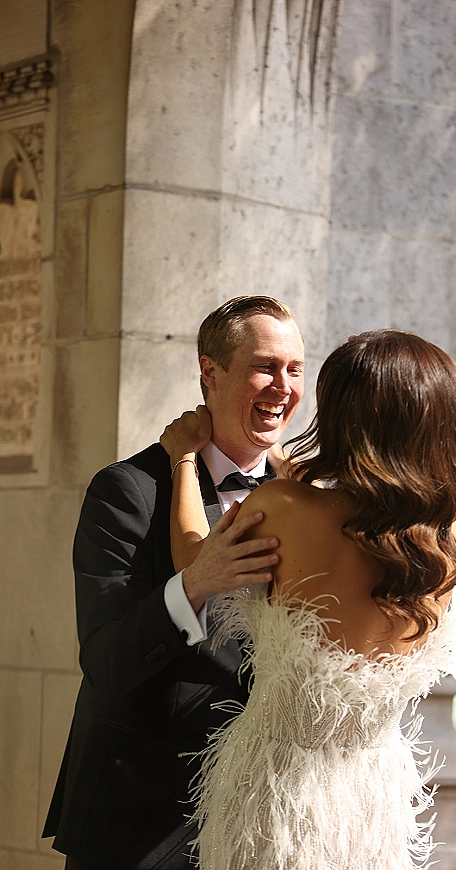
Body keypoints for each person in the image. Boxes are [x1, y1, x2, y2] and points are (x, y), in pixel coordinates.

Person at [161, 328, 456, 870]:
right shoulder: (449, 531)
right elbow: (359, 521)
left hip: (276, 793)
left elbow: (195, 561)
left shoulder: (283, 505)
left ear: (348, 418)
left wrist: (183, 458)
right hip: (372, 799)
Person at [43, 296, 305, 870]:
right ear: (210, 372)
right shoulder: (127, 492)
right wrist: (193, 586)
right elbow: (106, 662)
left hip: (265, 820)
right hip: (140, 815)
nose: (282, 386)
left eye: (294, 369)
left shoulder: (305, 499)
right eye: (265, 366)